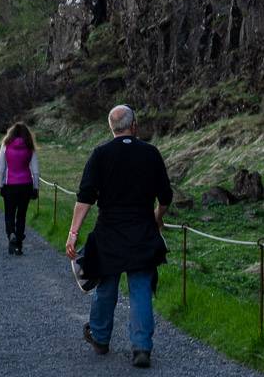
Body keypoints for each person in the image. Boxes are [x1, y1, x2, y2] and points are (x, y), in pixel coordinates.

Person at [66, 105, 172, 369]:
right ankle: (141, 348)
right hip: (142, 231)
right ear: (134, 125)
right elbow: (166, 196)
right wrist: (157, 218)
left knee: (106, 287)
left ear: (111, 128)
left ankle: (100, 338)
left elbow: (85, 197)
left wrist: (73, 233)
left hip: (110, 232)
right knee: (140, 290)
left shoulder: (101, 154)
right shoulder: (150, 153)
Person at [0, 122, 39, 255]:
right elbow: (35, 171)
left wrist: (0, 184)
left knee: (9, 214)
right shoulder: (29, 147)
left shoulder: (5, 145)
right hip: (26, 184)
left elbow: (1, 168)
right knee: (21, 215)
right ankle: (19, 245)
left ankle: (11, 234)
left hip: (10, 184)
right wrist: (36, 187)